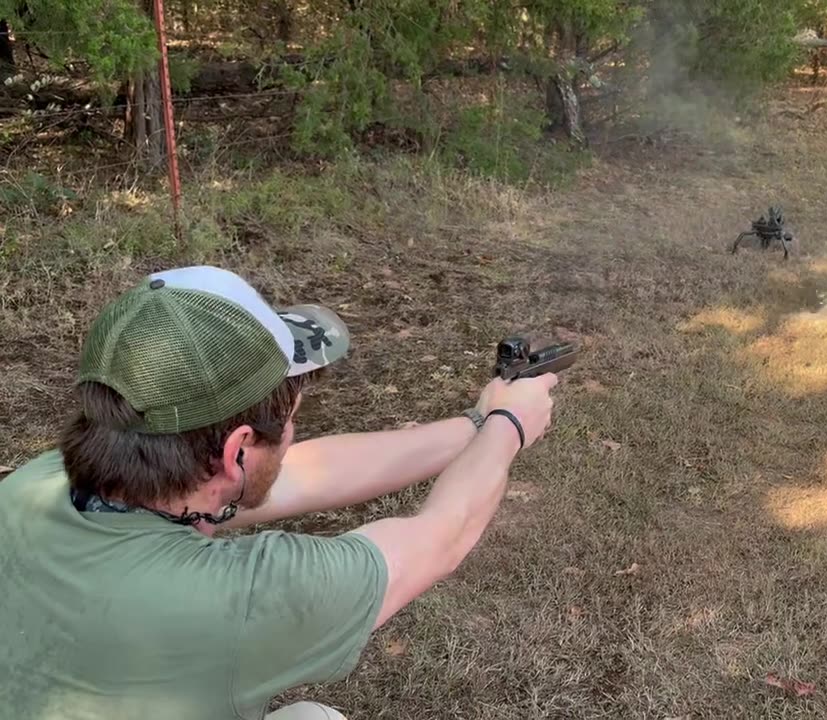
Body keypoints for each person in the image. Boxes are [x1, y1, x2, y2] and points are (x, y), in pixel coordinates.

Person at [0, 265, 560, 720]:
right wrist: (511, 426)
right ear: (235, 451)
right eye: (291, 421)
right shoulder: (240, 599)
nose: (293, 437)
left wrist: (477, 423)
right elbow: (440, 537)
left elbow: (307, 474)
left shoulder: (38, 485)